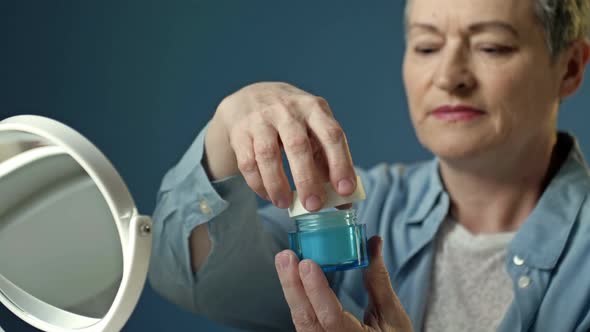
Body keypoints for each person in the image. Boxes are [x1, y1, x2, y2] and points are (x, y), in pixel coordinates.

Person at [148, 0, 590, 331]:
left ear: (570, 68)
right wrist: (229, 123)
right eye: (427, 46)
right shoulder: (363, 207)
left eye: (492, 47)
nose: (449, 75)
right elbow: (196, 278)